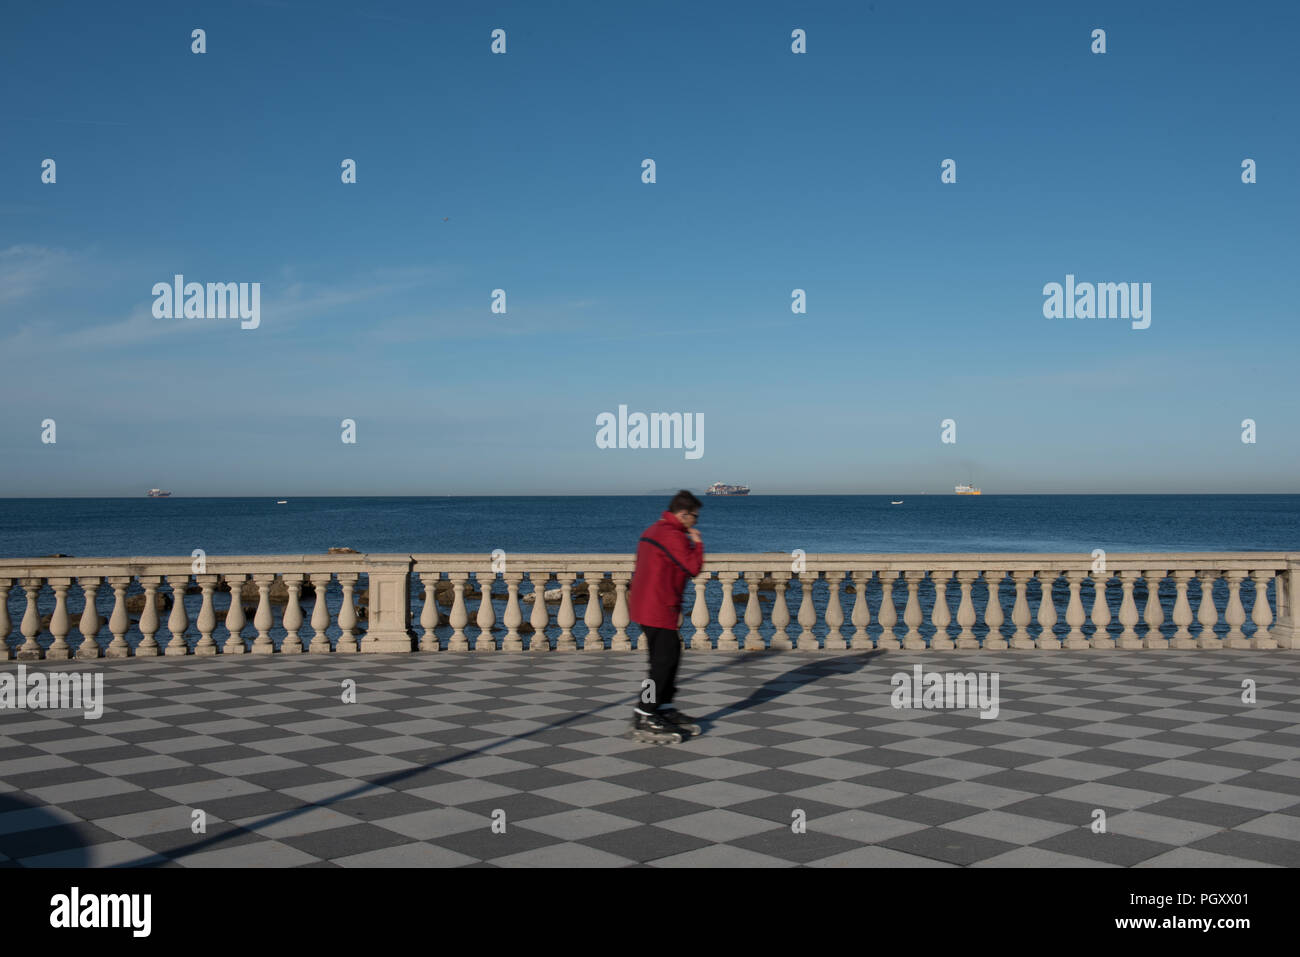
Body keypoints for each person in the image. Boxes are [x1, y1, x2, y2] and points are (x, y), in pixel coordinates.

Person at [628, 489, 705, 738]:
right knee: (662, 665)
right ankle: (646, 712)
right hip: (658, 608)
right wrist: (698, 542)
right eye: (694, 517)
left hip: (645, 605)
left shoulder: (651, 530)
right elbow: (692, 567)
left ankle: (662, 706)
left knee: (666, 660)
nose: (696, 522)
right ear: (683, 514)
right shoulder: (672, 535)